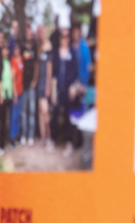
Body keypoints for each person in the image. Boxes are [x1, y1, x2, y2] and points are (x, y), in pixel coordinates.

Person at [53, 28, 80, 157]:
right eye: (62, 37)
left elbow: (76, 73)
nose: (65, 39)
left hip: (69, 91)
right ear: (60, 39)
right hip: (58, 90)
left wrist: (74, 87)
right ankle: (52, 140)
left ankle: (68, 143)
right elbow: (54, 74)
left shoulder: (72, 53)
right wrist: (53, 91)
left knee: (68, 117)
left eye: (67, 37)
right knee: (55, 114)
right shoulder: (56, 54)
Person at [20, 27, 38, 146]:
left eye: (30, 33)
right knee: (23, 112)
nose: (29, 34)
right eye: (27, 33)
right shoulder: (22, 47)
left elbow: (36, 65)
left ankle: (31, 136)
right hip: (23, 84)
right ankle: (24, 135)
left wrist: (35, 80)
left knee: (31, 111)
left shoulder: (35, 47)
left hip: (32, 85)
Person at [0, 45, 14, 155]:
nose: (6, 50)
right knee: (2, 122)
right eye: (4, 49)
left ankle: (8, 142)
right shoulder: (0, 63)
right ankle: (1, 145)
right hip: (3, 95)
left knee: (8, 120)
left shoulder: (9, 62)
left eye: (7, 49)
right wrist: (0, 95)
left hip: (9, 95)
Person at [37, 38, 54, 150]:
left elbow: (49, 73)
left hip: (44, 87)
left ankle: (49, 139)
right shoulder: (39, 55)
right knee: (41, 113)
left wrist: (48, 88)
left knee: (46, 112)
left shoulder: (49, 56)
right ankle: (43, 137)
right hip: (39, 86)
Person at [10, 44, 24, 146]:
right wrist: (15, 94)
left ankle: (17, 135)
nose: (17, 50)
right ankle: (12, 137)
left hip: (21, 91)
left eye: (18, 49)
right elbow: (13, 79)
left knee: (19, 115)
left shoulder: (22, 59)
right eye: (15, 49)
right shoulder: (13, 60)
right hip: (16, 92)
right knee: (14, 115)